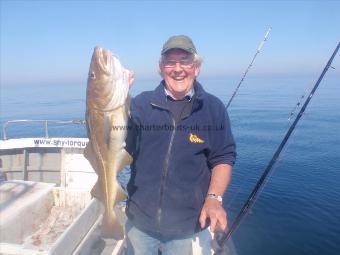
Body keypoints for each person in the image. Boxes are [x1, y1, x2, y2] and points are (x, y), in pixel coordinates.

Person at [125, 35, 236, 255]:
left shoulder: (213, 108)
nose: (178, 69)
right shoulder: (141, 104)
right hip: (140, 223)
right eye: (170, 62)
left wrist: (214, 199)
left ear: (196, 68)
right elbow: (120, 143)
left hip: (188, 227)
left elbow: (223, 157)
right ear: (160, 68)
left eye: (185, 61)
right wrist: (118, 98)